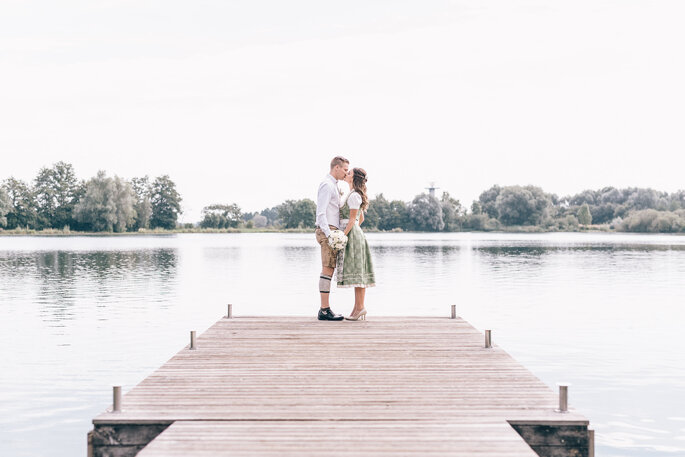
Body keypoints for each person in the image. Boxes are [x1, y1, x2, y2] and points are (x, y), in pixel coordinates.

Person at [336, 167, 375, 320]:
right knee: (359, 272)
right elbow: (361, 219)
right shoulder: (354, 194)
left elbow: (353, 220)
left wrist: (341, 236)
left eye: (349, 173)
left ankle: (360, 308)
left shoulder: (354, 196)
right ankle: (357, 309)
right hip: (355, 233)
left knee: (359, 273)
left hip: (352, 235)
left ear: (354, 178)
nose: (347, 174)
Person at [315, 156, 350, 321]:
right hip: (327, 231)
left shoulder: (334, 186)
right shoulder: (327, 185)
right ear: (336, 167)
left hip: (332, 230)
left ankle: (325, 308)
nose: (346, 173)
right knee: (327, 269)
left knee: (329, 269)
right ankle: (324, 310)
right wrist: (330, 235)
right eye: (344, 169)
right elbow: (320, 213)